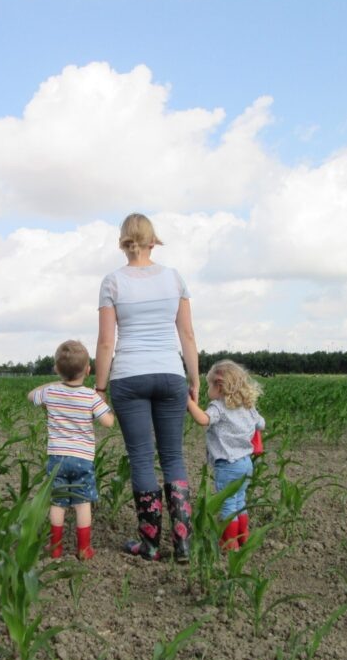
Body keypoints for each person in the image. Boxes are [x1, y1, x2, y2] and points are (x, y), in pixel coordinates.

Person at [94, 213, 200, 563]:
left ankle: (151, 545)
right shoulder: (174, 278)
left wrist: (100, 386)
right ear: (153, 240)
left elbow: (106, 343)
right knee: (173, 457)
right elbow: (187, 335)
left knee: (141, 458)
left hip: (128, 376)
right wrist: (194, 379)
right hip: (171, 374)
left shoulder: (112, 282)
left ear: (124, 243)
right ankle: (183, 543)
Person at [28, 340, 115, 560]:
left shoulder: (51, 392)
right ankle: (84, 548)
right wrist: (109, 411)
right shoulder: (89, 396)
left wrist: (53, 383)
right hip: (82, 459)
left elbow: (31, 396)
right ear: (88, 370)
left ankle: (55, 547)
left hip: (57, 457)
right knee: (82, 503)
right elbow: (108, 423)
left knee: (57, 502)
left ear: (57, 369)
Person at [186, 359, 266, 549]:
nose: (208, 391)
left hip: (227, 464)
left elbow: (203, 420)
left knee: (227, 503)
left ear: (219, 386)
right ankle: (242, 538)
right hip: (246, 463)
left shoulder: (218, 407)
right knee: (240, 501)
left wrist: (188, 402)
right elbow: (261, 424)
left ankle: (229, 543)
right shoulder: (248, 407)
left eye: (209, 385)